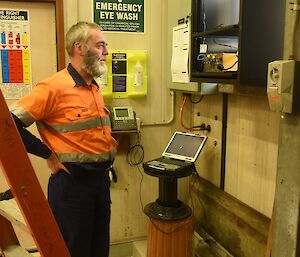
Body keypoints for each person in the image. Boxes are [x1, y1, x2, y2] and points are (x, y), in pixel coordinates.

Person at [9, 21, 117, 257]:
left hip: (100, 183)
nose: (106, 52)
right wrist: (46, 153)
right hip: (72, 187)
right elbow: (7, 125)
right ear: (80, 48)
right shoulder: (52, 87)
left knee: (99, 249)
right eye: (100, 45)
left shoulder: (94, 87)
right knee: (74, 251)